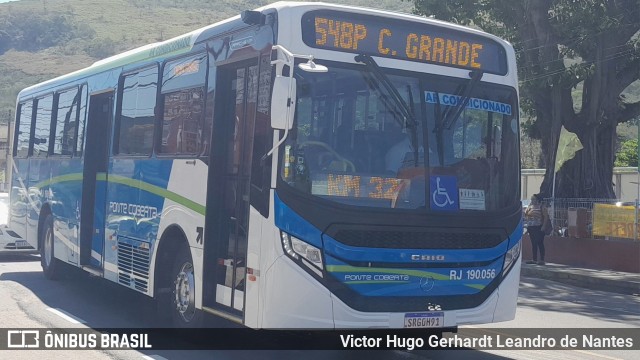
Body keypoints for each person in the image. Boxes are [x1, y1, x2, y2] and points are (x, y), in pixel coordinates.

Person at [524, 194, 549, 265]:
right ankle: (534, 259)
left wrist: (543, 226)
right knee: (533, 243)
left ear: (537, 200)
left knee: (540, 243)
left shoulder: (542, 207)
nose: (532, 201)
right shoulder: (530, 207)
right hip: (531, 227)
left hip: (539, 227)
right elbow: (526, 215)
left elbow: (546, 217)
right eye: (531, 199)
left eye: (534, 199)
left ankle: (542, 259)